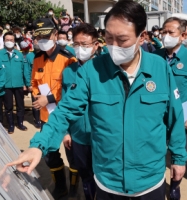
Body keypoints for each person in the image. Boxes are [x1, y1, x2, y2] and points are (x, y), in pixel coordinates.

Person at [8, 2, 187, 200]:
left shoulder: (160, 68)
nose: (114, 46)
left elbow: (175, 116)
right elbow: (65, 111)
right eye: (109, 38)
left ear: (142, 37)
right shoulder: (91, 71)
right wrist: (38, 145)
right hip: (108, 180)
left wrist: (179, 157)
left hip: (149, 180)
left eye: (122, 40)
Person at [154, 17, 187, 199]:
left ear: (182, 35)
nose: (165, 36)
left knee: (178, 151)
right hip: (157, 112)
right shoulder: (155, 55)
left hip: (180, 114)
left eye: (170, 32)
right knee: (157, 149)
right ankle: (157, 181)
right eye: (163, 32)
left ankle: (175, 185)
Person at [31, 17, 77, 199]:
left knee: (72, 154)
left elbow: (72, 89)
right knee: (50, 154)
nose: (42, 40)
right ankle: (60, 186)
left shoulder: (68, 58)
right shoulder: (37, 59)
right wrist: (38, 96)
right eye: (38, 37)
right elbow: (34, 84)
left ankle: (74, 187)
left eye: (46, 36)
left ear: (55, 34)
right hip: (46, 116)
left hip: (65, 117)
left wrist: (48, 98)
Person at [62, 23, 100, 199]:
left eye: (85, 44)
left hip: (102, 135)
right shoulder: (69, 72)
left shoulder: (106, 69)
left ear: (96, 44)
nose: (80, 48)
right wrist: (67, 132)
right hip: (78, 135)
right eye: (76, 44)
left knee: (104, 176)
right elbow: (65, 104)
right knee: (85, 174)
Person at [0, 32, 31, 134]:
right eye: (7, 40)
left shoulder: (19, 54)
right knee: (8, 106)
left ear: (14, 41)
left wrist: (26, 83)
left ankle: (20, 123)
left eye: (11, 40)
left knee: (20, 105)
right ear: (4, 41)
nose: (9, 42)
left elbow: (24, 70)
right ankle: (11, 125)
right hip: (5, 85)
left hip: (19, 84)